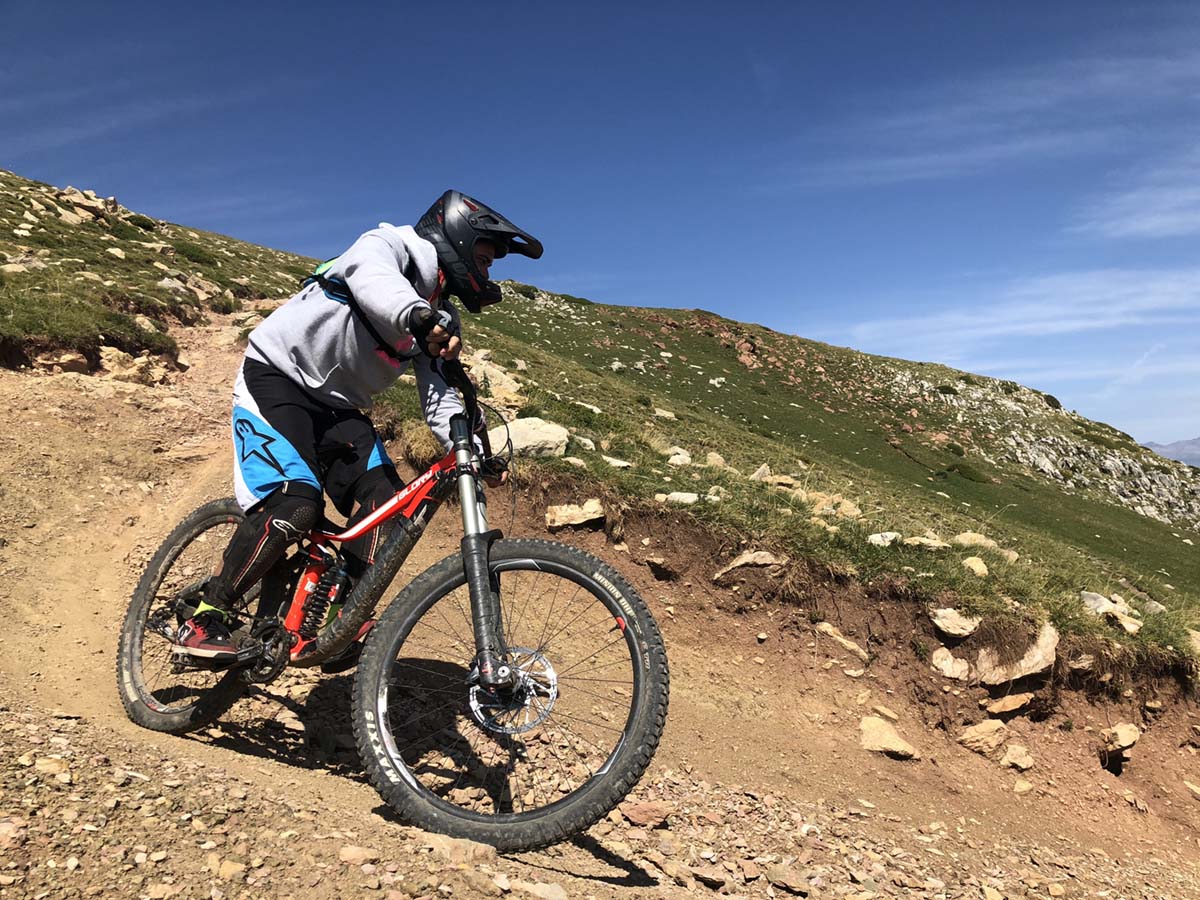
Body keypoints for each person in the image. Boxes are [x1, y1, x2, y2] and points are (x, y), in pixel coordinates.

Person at [175, 190, 543, 661]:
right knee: (296, 504)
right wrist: (414, 314)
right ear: (458, 237)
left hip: (339, 408)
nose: (488, 272)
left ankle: (334, 619)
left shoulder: (442, 317)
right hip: (276, 377)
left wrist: (471, 447)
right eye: (486, 258)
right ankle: (208, 613)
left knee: (386, 508)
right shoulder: (389, 245)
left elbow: (439, 398)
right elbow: (371, 278)